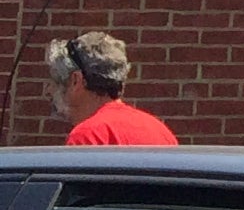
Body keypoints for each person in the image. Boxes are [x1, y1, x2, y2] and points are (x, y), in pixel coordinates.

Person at [47, 31, 176, 146]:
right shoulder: (160, 132)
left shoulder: (87, 137)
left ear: (76, 80)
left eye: (56, 80)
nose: (49, 90)